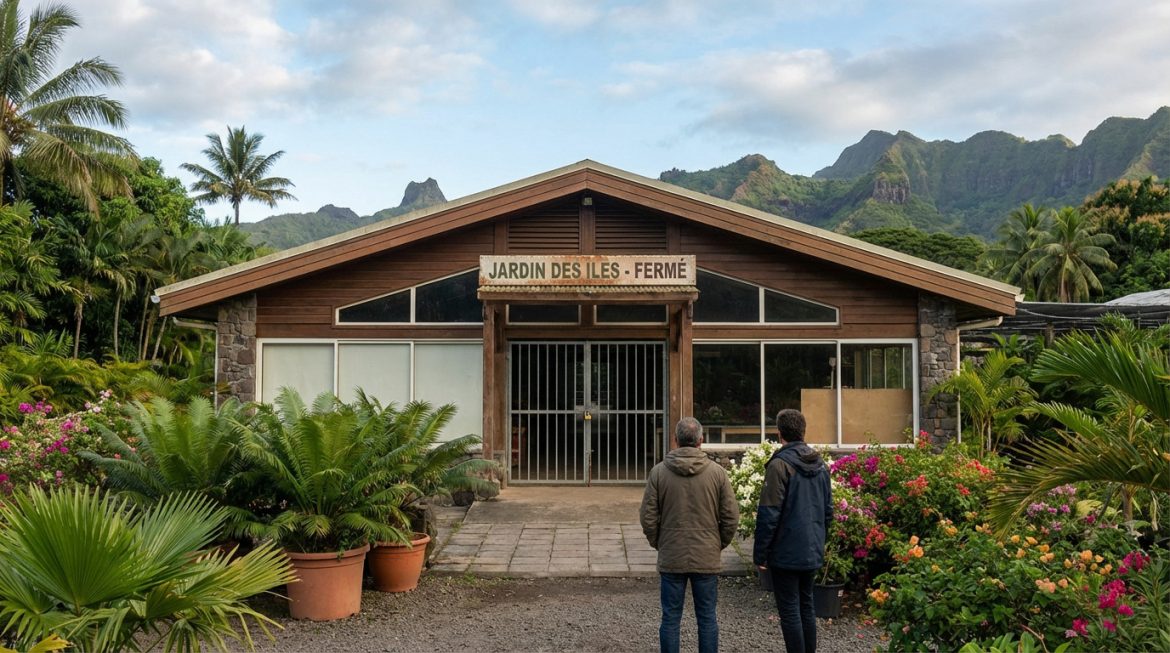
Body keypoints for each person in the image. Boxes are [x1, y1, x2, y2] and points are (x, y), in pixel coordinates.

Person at [640, 417, 740, 653]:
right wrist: (717, 543)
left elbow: (648, 517)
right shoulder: (717, 474)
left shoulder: (659, 473)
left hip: (672, 555)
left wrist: (660, 542)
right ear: (701, 441)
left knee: (670, 619)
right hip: (706, 555)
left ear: (675, 440)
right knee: (707, 618)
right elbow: (731, 516)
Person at [753, 409, 833, 653]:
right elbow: (828, 511)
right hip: (811, 548)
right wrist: (820, 541)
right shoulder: (821, 466)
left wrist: (761, 554)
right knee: (806, 606)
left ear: (779, 433)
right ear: (803, 431)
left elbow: (769, 513)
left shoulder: (779, 465)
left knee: (789, 611)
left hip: (786, 551)